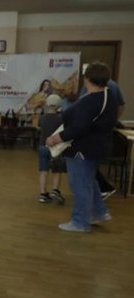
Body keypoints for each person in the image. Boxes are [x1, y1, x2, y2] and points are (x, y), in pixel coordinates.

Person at [46, 61, 118, 232]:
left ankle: (80, 222)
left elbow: (79, 127)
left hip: (83, 149)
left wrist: (56, 138)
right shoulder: (108, 96)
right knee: (89, 182)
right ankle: (98, 213)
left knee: (79, 185)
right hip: (97, 147)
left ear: (87, 79)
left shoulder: (91, 100)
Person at [79, 77, 126, 200]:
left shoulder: (99, 88)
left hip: (93, 132)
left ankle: (103, 188)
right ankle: (99, 190)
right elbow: (121, 106)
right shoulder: (112, 86)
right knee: (88, 163)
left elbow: (81, 107)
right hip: (99, 132)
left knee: (86, 162)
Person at [37, 94, 66, 204]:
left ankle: (43, 194)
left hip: (42, 146)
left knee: (43, 171)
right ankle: (55, 191)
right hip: (56, 149)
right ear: (59, 104)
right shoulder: (61, 118)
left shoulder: (42, 118)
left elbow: (39, 128)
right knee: (57, 171)